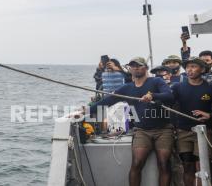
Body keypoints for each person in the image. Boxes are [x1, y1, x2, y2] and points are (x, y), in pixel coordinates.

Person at [89, 57, 174, 186]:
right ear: (129, 69)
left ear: (145, 68)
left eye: (139, 65)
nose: (136, 68)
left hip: (163, 130)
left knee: (163, 164)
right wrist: (87, 111)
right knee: (136, 163)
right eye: (133, 66)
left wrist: (153, 96)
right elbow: (107, 101)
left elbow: (169, 96)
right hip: (142, 131)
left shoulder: (156, 81)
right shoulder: (126, 88)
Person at [171, 57, 212, 186]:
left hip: (204, 132)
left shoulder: (209, 86)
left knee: (203, 167)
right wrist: (153, 96)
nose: (190, 69)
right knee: (187, 166)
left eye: (194, 66)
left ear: (203, 69)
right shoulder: (177, 87)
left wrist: (209, 115)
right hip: (183, 132)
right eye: (188, 67)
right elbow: (168, 100)